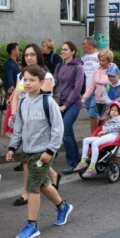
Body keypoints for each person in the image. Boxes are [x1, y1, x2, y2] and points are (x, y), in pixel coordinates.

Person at [6, 65, 73, 238]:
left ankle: (32, 225)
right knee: (43, 183)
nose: (27, 83)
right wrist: (12, 147)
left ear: (41, 82)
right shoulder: (23, 102)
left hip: (43, 152)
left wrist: (50, 151)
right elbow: (19, 128)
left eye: (31, 80)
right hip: (28, 151)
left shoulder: (48, 102)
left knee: (32, 187)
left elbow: (58, 129)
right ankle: (63, 206)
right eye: (24, 80)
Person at [9, 43, 59, 206]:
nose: (29, 57)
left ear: (38, 56)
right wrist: (16, 113)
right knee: (30, 160)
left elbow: (40, 98)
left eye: (32, 54)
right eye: (26, 55)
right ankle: (52, 180)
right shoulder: (21, 75)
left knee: (30, 161)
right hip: (26, 120)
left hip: (40, 126)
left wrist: (51, 149)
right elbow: (17, 95)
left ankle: (28, 192)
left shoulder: (46, 76)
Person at [73, 101, 120, 178]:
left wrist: (105, 131)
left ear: (119, 112)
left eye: (116, 110)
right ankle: (83, 161)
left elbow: (118, 127)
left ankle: (92, 167)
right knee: (86, 140)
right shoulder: (108, 119)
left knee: (95, 143)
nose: (113, 112)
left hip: (114, 135)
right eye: (112, 110)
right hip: (105, 135)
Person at [54, 42, 84, 176]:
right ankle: (77, 158)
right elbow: (55, 84)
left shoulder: (78, 67)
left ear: (73, 52)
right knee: (68, 132)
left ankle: (71, 161)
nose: (63, 51)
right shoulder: (59, 66)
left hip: (74, 103)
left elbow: (77, 88)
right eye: (62, 49)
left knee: (64, 130)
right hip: (61, 103)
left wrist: (66, 104)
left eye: (66, 49)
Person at [81, 49, 116, 147]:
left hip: (109, 100)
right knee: (92, 115)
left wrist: (101, 80)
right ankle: (94, 136)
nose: (101, 63)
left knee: (106, 119)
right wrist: (84, 98)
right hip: (97, 98)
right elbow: (91, 86)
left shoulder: (113, 68)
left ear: (109, 60)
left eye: (103, 61)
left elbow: (113, 82)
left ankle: (106, 140)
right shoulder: (97, 70)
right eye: (100, 60)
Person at [81, 36, 100, 133]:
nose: (83, 46)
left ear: (90, 44)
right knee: (92, 116)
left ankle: (94, 137)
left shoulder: (100, 56)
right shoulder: (83, 58)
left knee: (93, 114)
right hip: (86, 91)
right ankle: (97, 134)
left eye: (84, 44)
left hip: (97, 91)